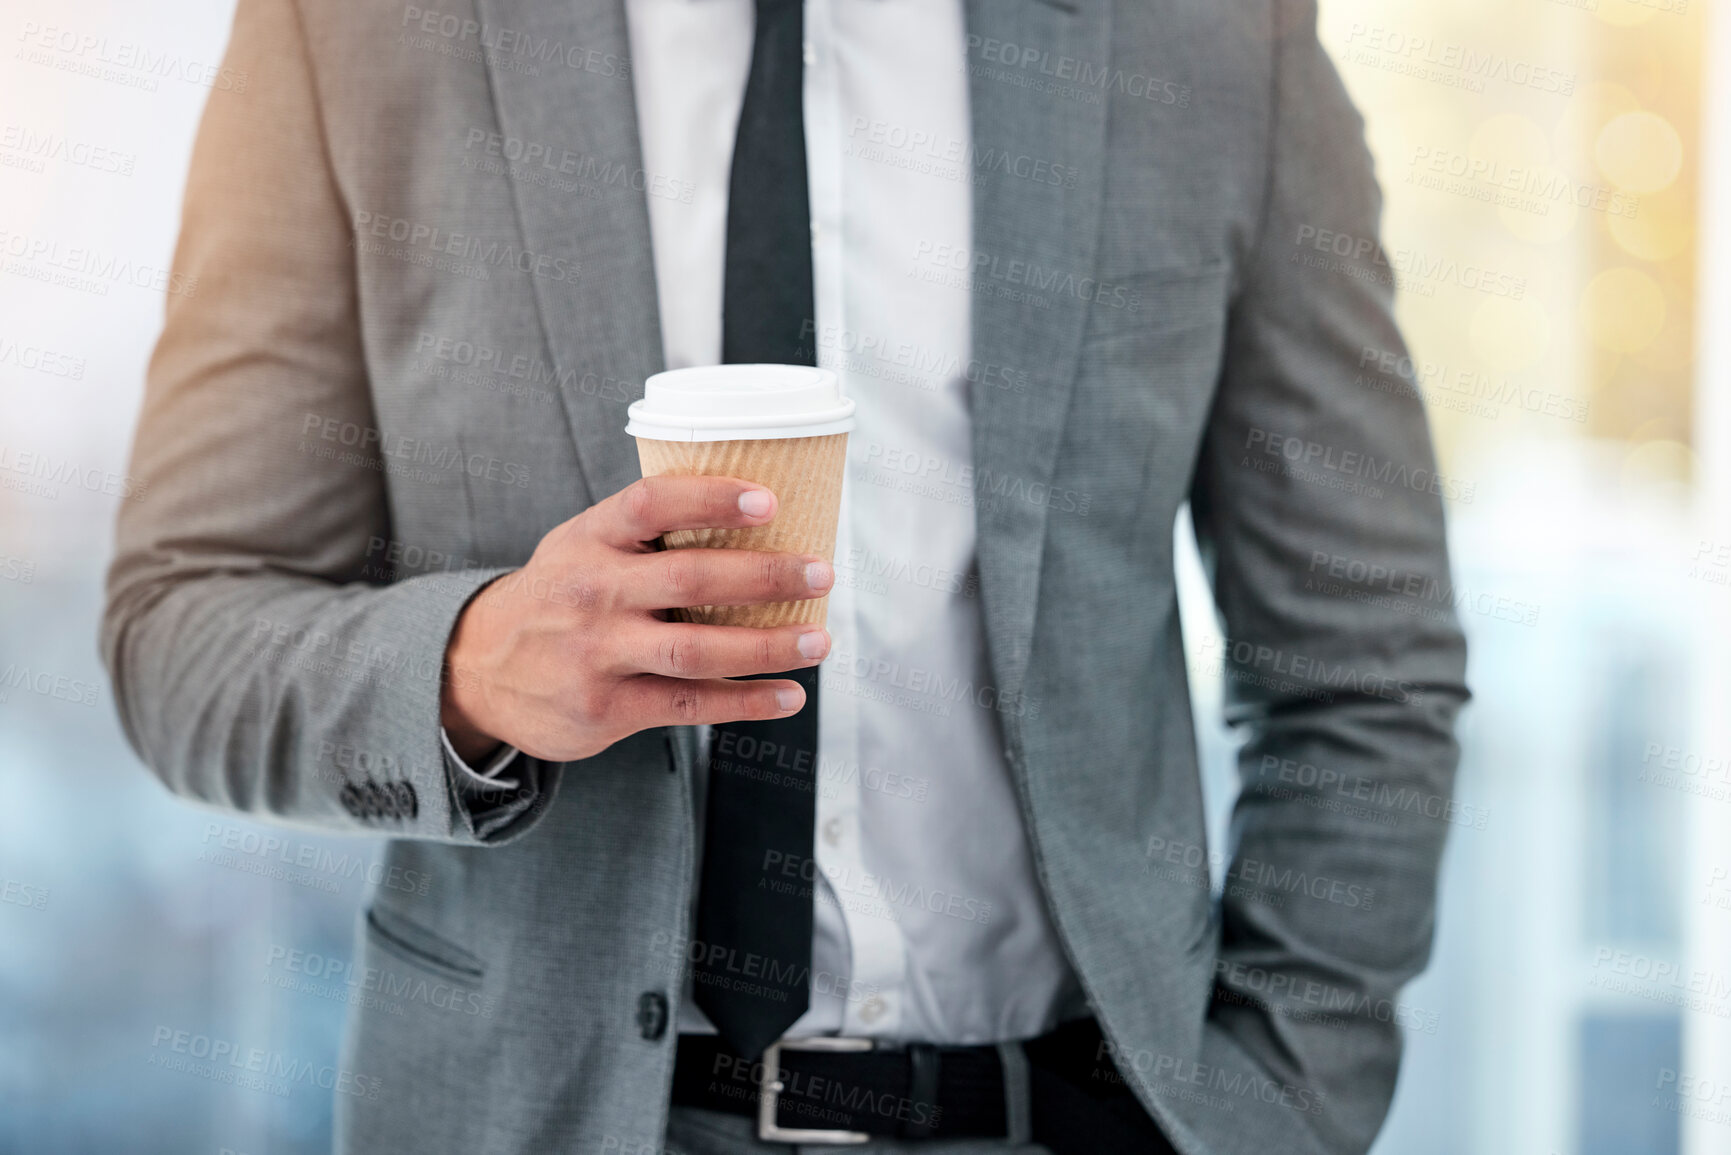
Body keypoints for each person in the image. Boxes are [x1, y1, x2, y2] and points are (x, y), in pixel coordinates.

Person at [101, 0, 1470, 1152]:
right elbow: (184, 625)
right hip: (551, 1114)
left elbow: (1366, 652)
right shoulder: (358, 31)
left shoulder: (1209, 35)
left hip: (1069, 1112)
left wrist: (1279, 1105)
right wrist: (468, 668)